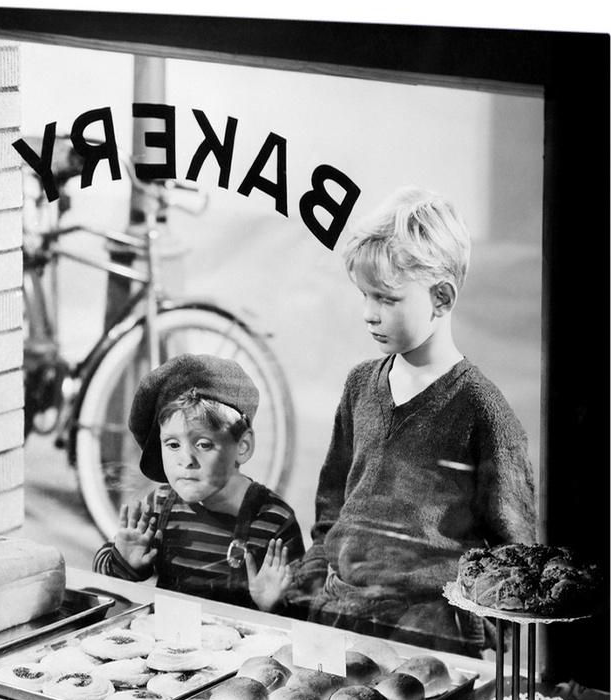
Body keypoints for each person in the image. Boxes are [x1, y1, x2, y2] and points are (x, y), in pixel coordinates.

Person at [293, 186, 538, 656]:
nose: (368, 314)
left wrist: (487, 640)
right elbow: (331, 507)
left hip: (432, 632)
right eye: (364, 295)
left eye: (386, 298)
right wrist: (309, 590)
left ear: (441, 298)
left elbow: (515, 553)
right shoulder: (360, 384)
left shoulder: (483, 409)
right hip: (342, 616)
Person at [93, 353, 304, 612]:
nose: (186, 460)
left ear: (243, 446)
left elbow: (305, 614)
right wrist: (124, 561)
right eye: (172, 444)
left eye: (203, 444)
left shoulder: (274, 520)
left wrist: (273, 606)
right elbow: (103, 576)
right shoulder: (159, 506)